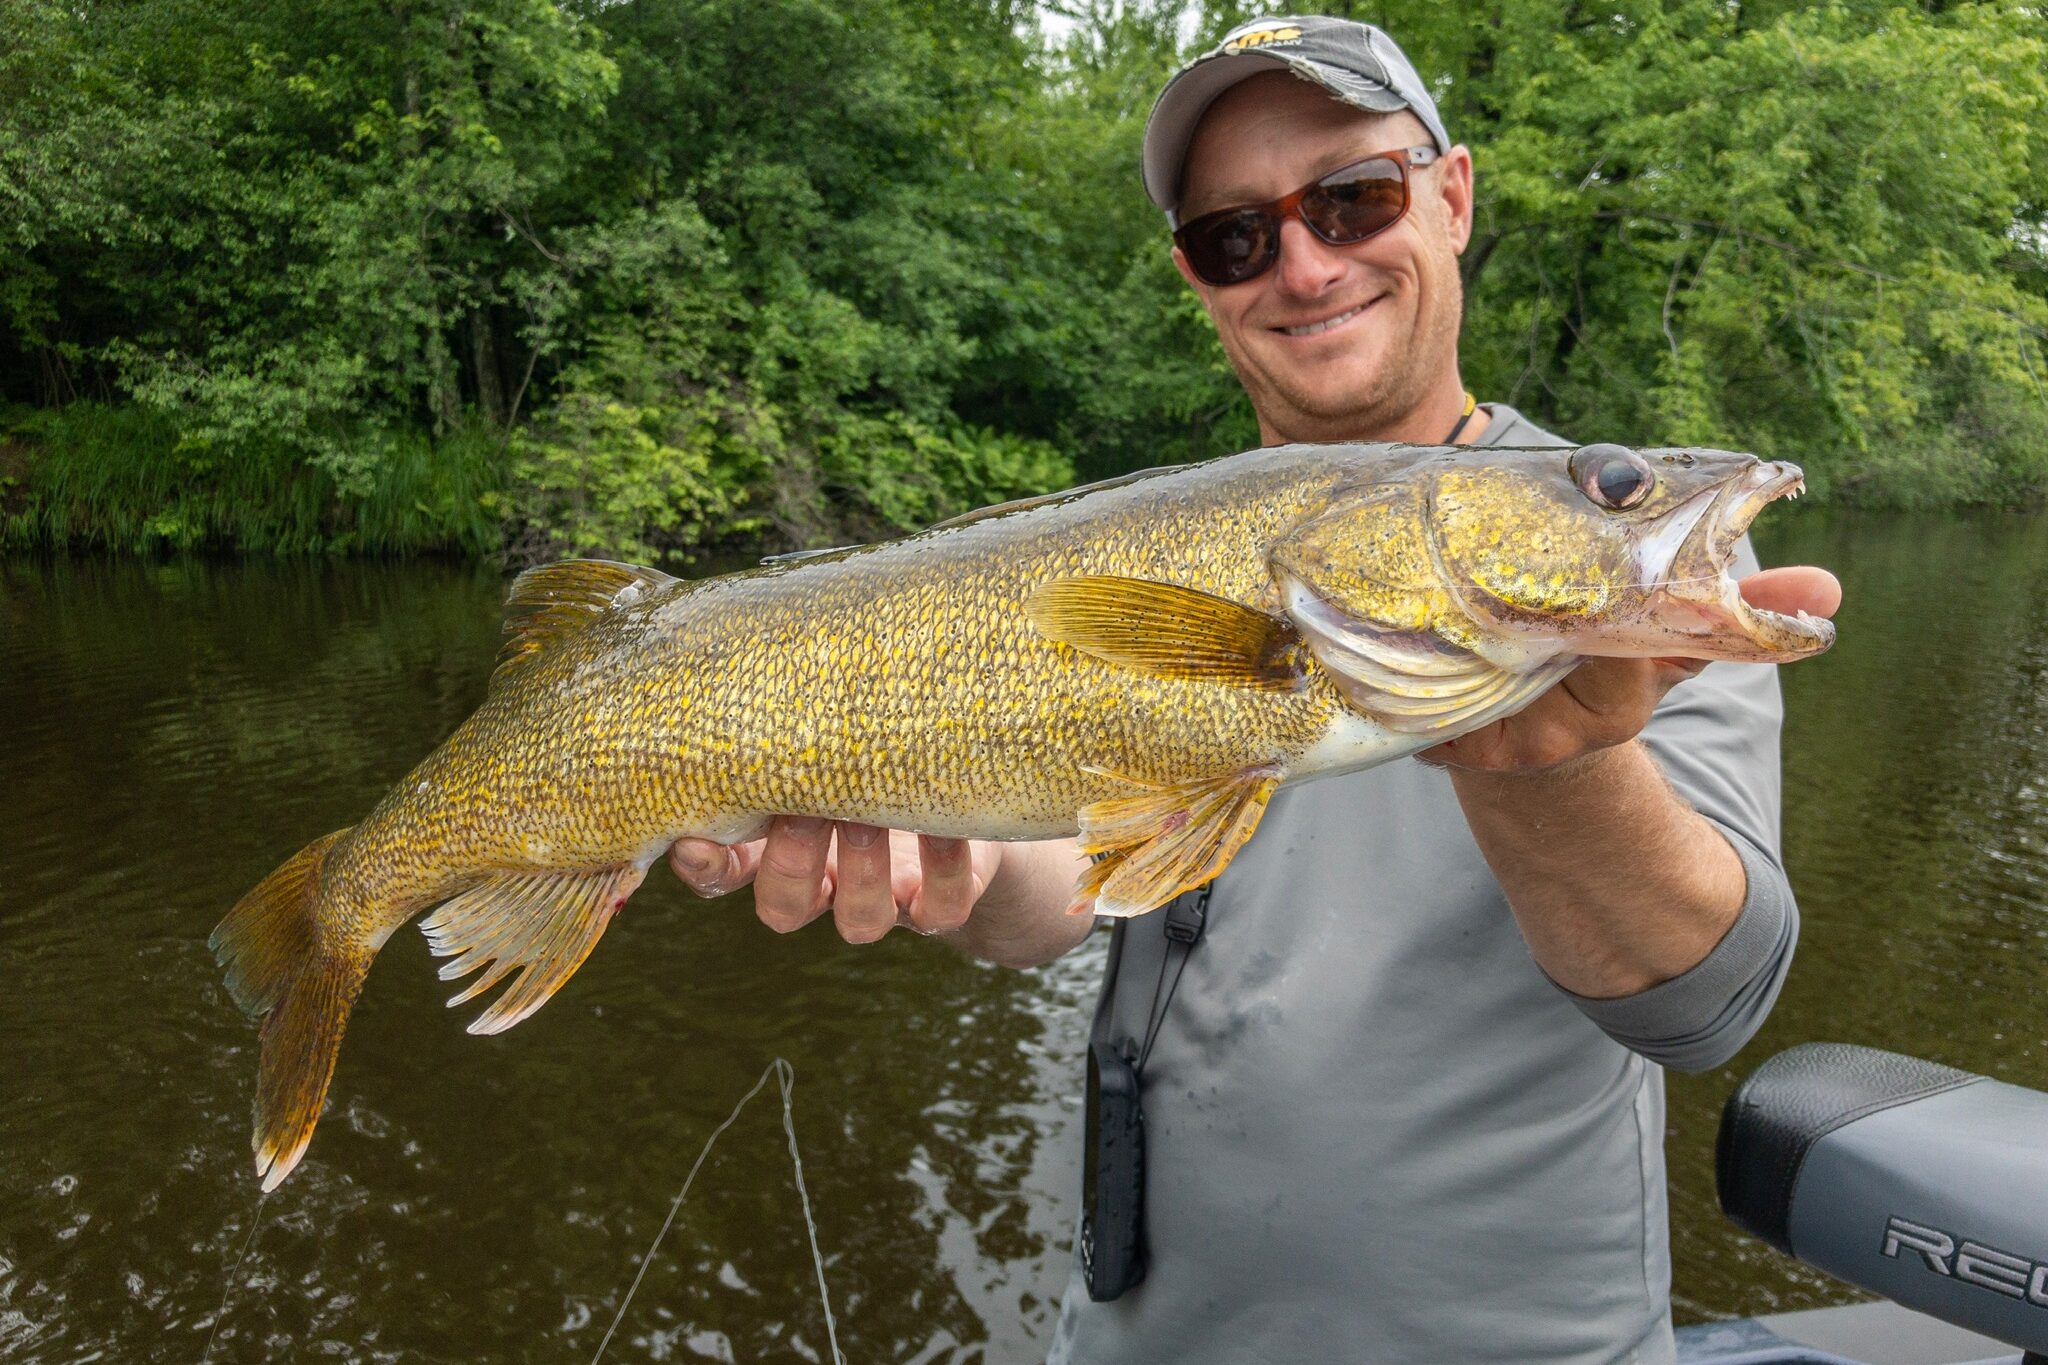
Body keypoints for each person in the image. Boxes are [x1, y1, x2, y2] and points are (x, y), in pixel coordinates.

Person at [669, 15, 1843, 1363]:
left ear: (1452, 197)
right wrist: (945, 857)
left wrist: (1556, 769)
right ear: (1201, 278)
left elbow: (1705, 1002)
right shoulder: (1170, 533)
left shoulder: (1630, 589)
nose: (1303, 261)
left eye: (1355, 198)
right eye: (1237, 235)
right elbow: (1061, 891)